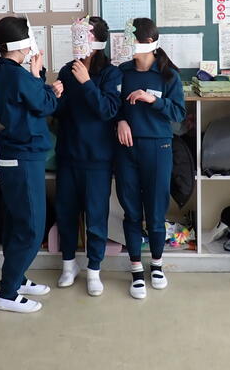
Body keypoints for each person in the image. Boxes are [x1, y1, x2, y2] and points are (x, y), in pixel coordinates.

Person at [0, 16, 63, 313]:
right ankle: (7, 293)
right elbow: (45, 104)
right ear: (21, 43)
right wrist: (49, 87)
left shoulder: (9, 71)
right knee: (30, 227)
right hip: (21, 158)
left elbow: (34, 99)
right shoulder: (15, 75)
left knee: (19, 224)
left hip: (20, 156)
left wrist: (38, 77)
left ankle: (16, 279)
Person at [115, 18, 186, 300]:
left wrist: (153, 100)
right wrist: (120, 121)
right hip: (126, 149)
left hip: (158, 148)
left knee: (156, 212)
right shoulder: (122, 73)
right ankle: (135, 269)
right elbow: (112, 106)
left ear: (148, 43)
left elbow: (178, 114)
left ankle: (156, 265)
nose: (126, 45)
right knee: (131, 211)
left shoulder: (168, 76)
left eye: (130, 40)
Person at [54, 16, 121, 296]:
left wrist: (87, 83)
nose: (79, 42)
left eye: (85, 36)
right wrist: (55, 95)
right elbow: (59, 113)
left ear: (97, 41)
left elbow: (108, 110)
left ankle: (94, 269)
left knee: (95, 216)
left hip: (97, 158)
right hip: (68, 155)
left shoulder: (111, 73)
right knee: (66, 213)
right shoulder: (67, 70)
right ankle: (68, 264)